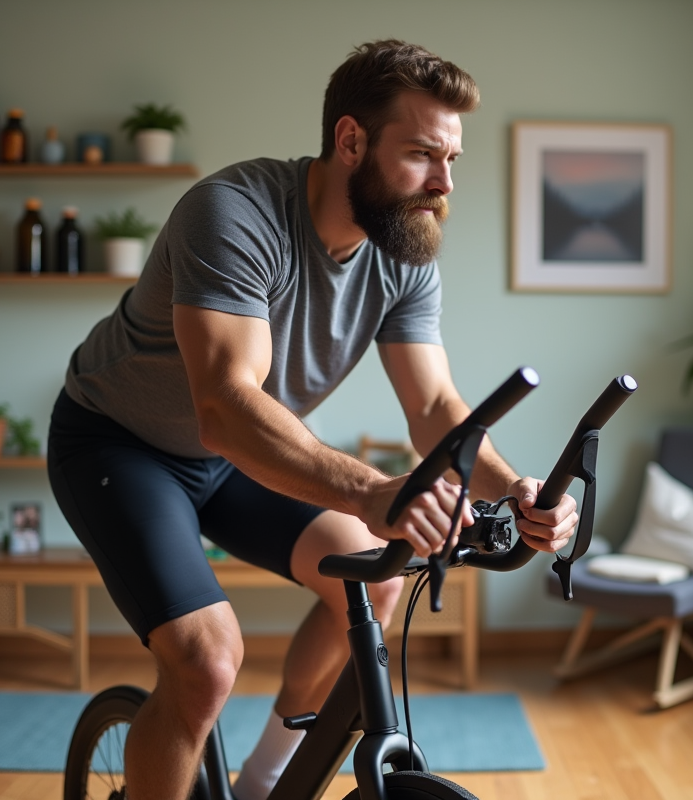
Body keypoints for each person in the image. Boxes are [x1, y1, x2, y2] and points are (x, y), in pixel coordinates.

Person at [47, 39, 579, 800]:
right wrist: (369, 491)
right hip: (119, 443)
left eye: (453, 160)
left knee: (375, 580)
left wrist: (517, 491)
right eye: (425, 154)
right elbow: (226, 405)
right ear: (351, 140)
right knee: (206, 662)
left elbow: (433, 407)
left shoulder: (404, 251)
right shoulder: (232, 214)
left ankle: (267, 781)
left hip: (229, 461)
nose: (443, 183)